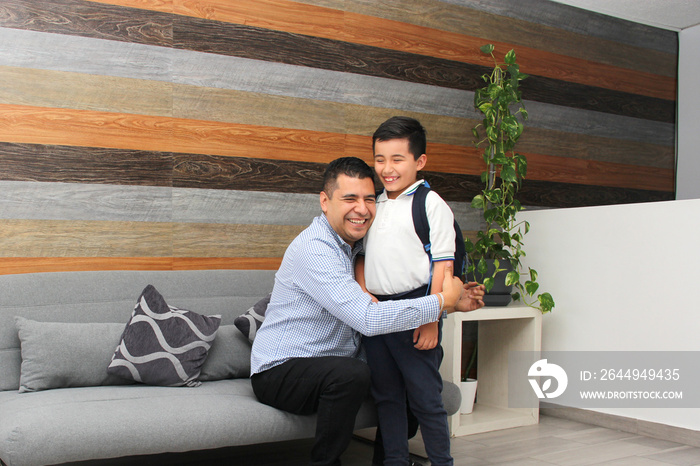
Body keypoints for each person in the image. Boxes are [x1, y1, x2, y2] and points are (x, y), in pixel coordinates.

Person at [250, 157, 485, 466]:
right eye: (350, 198)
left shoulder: (360, 247)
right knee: (351, 374)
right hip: (281, 370)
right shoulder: (315, 249)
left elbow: (388, 301)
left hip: (335, 366)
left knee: (408, 374)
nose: (361, 209)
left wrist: (454, 306)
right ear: (325, 201)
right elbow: (369, 319)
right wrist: (442, 301)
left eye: (369, 199)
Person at [356, 116, 462, 466]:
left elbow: (443, 268)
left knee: (425, 399)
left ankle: (442, 462)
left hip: (417, 310)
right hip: (377, 317)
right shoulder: (374, 204)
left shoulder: (431, 204)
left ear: (419, 162)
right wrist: (363, 291)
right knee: (387, 396)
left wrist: (432, 319)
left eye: (397, 159)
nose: (387, 168)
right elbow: (363, 257)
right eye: (380, 159)